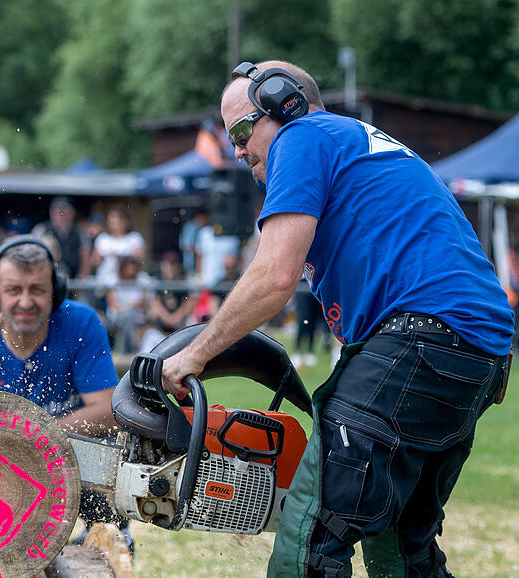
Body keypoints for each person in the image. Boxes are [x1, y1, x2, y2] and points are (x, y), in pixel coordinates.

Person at [160, 60, 514, 577]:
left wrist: (192, 356)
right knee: (401, 549)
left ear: (284, 104)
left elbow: (274, 277)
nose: (237, 151)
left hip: (420, 336)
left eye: (241, 131)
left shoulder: (301, 137)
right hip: (476, 351)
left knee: (310, 535)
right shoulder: (353, 143)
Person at [0, 236, 130, 547]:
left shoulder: (81, 323)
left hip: (69, 454)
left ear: (55, 291)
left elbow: (108, 410)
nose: (26, 302)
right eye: (14, 290)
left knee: (109, 461)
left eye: (38, 290)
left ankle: (109, 538)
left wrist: (37, 437)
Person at [32, 196, 90, 278]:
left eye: (63, 211)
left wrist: (82, 279)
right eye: (56, 210)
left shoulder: (80, 232)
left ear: (72, 212)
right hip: (47, 276)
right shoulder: (41, 229)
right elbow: (33, 255)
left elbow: (85, 258)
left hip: (73, 279)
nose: (59, 214)